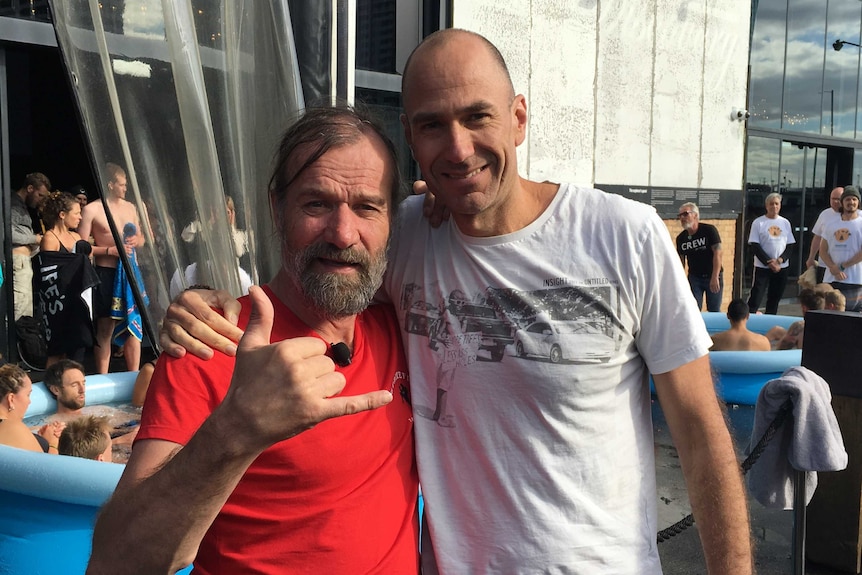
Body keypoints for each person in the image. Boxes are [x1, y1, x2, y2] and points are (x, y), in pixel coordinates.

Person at [161, 30, 753, 574]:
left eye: (478, 117)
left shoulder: (626, 235)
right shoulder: (406, 232)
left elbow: (701, 434)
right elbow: (320, 261)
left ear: (519, 118)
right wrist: (210, 304)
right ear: (412, 140)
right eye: (432, 125)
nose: (458, 147)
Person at [87, 107, 419, 575]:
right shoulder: (215, 339)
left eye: (367, 207)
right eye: (316, 204)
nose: (343, 234)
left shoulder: (404, 326)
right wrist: (237, 428)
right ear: (276, 208)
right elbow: (116, 561)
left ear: (392, 223)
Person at [77, 163, 145, 373]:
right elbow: (80, 246)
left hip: (130, 272)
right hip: (106, 272)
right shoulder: (93, 209)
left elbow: (143, 238)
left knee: (134, 325)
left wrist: (137, 240)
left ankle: (134, 374)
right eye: (122, 185)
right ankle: (102, 375)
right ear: (110, 185)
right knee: (105, 327)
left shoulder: (132, 207)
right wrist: (108, 250)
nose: (125, 189)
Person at [37, 192, 99, 366]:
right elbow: (48, 274)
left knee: (78, 346)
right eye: (77, 213)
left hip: (77, 302)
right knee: (57, 350)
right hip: (58, 304)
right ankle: (50, 386)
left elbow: (87, 263)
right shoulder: (50, 238)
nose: (80, 217)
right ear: (62, 215)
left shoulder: (77, 237)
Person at [747, 192, 795, 315]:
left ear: (780, 205)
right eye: (771, 204)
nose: (774, 206)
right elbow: (755, 245)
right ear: (766, 206)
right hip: (762, 267)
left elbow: (790, 245)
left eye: (776, 203)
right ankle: (749, 319)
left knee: (774, 298)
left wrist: (780, 260)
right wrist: (769, 262)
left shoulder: (785, 223)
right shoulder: (758, 222)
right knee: (756, 297)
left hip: (781, 268)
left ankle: (770, 321)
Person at [11, 173, 50, 321]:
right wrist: (35, 238)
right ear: (29, 188)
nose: (40, 200)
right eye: (39, 195)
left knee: (24, 309)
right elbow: (7, 233)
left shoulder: (22, 207)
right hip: (17, 262)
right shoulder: (12, 205)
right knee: (19, 310)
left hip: (24, 261)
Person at [0, 364, 60, 453]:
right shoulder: (13, 429)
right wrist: (52, 443)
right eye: (28, 395)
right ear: (11, 399)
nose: (29, 401)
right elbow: (47, 466)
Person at [820, 185, 862, 312]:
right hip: (831, 279)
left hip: (855, 280)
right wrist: (833, 267)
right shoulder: (831, 224)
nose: (851, 202)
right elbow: (823, 250)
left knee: (852, 318)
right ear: (842, 203)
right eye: (848, 199)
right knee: (830, 316)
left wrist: (842, 266)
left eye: (854, 199)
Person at [676, 202, 723, 311]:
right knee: (694, 309)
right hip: (694, 278)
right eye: (680, 216)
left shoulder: (709, 230)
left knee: (714, 310)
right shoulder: (681, 238)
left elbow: (718, 253)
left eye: (685, 214)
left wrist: (715, 276)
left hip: (713, 275)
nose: (682, 218)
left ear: (695, 215)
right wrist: (681, 281)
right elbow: (681, 261)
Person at [806, 186, 844, 284]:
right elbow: (818, 237)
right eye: (833, 199)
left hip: (845, 266)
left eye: (838, 199)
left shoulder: (857, 216)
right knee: (822, 296)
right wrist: (811, 257)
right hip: (824, 265)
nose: (835, 202)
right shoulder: (825, 214)